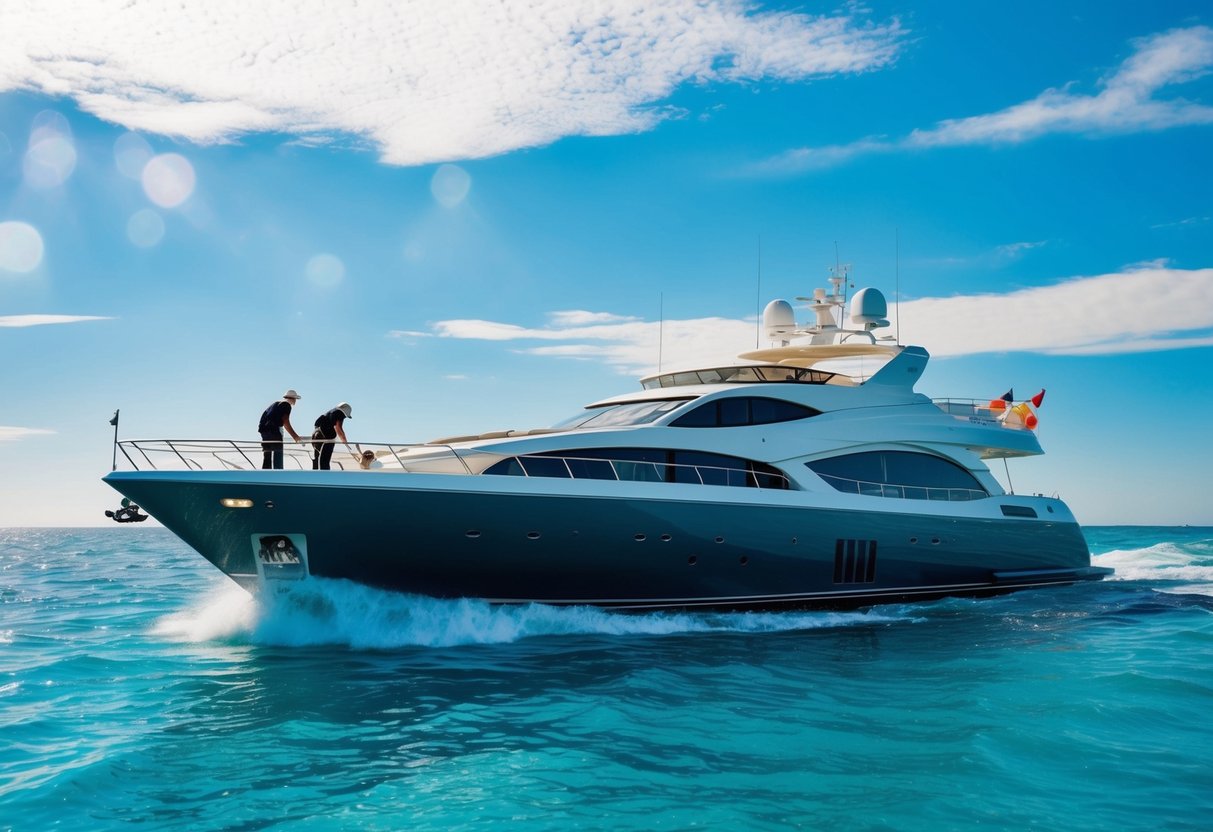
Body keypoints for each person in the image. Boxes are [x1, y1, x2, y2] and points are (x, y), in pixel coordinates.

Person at [258, 389, 302, 469]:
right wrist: (295, 436)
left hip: (264, 431)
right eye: (295, 399)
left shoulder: (275, 404)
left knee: (267, 455)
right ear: (293, 398)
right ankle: (278, 470)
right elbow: (286, 422)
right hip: (273, 430)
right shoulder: (286, 405)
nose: (295, 401)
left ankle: (265, 473)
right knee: (278, 450)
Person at [311, 402, 352, 469]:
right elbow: (338, 428)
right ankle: (325, 473)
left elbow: (317, 423)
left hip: (316, 434)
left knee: (317, 456)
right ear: (345, 412)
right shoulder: (340, 413)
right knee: (325, 457)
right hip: (326, 435)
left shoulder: (330, 412)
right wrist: (345, 442)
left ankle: (315, 472)